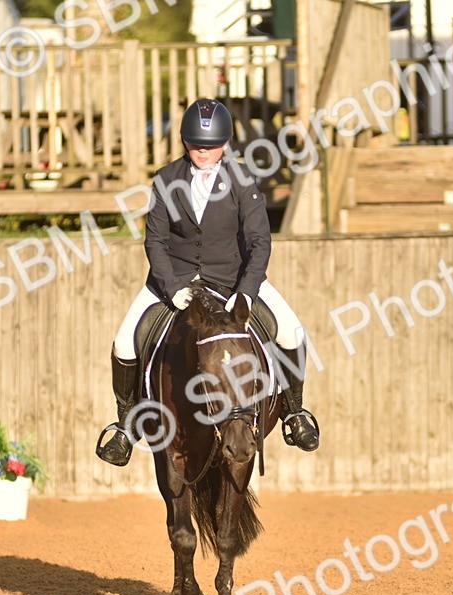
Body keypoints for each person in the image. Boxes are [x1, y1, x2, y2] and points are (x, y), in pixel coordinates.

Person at [96, 98, 320, 467]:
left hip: (233, 278)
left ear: (226, 143)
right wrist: (171, 288)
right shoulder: (166, 178)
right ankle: (125, 426)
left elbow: (260, 240)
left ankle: (295, 413)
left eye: (211, 145)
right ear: (185, 142)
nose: (203, 151)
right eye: (197, 144)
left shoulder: (242, 179)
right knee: (124, 343)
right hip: (175, 280)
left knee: (292, 332)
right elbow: (155, 240)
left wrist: (245, 292)